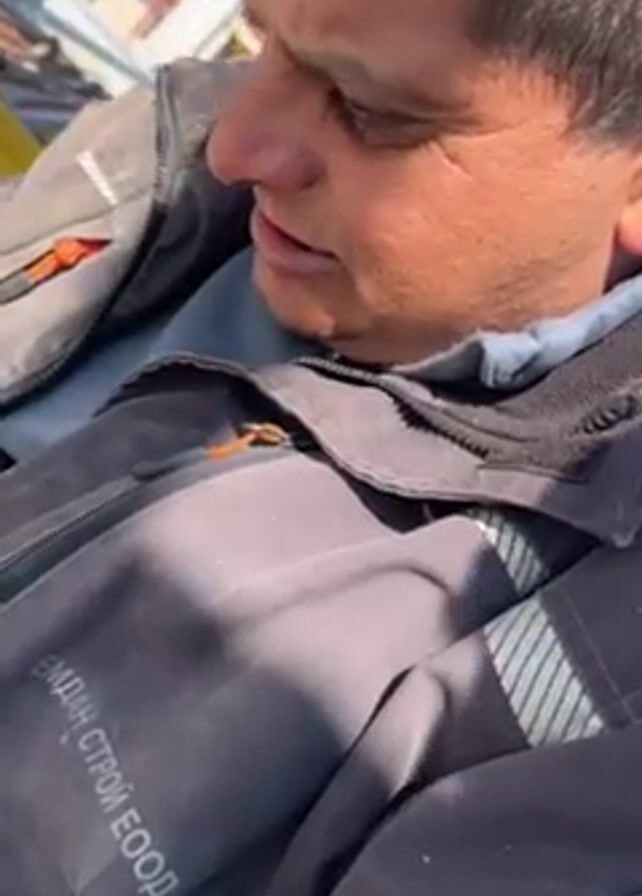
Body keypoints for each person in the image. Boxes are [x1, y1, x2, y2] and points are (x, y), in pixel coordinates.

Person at [2, 0, 642, 893]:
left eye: (368, 111)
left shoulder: (600, 660)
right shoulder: (161, 143)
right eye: (264, 40)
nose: (236, 148)